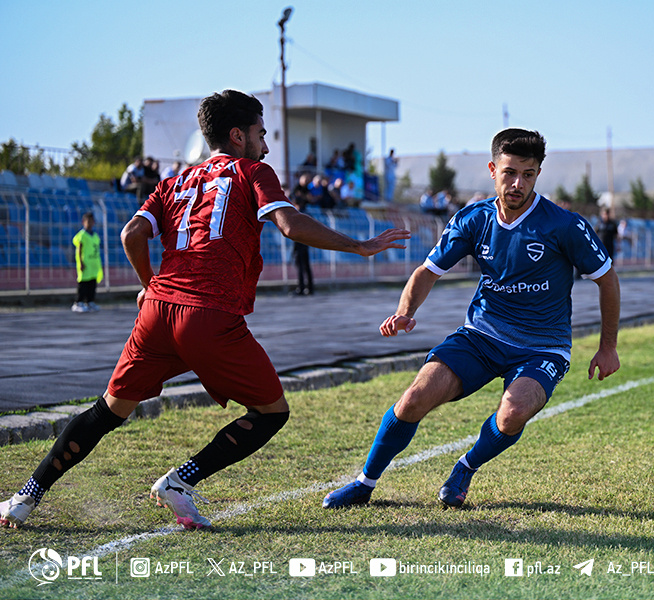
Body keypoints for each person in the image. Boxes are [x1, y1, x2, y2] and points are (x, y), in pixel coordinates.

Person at [0, 89, 409, 530]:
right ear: (238, 135)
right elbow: (289, 224)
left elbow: (131, 234)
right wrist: (358, 245)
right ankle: (180, 481)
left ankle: (24, 497)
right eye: (261, 134)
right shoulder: (252, 170)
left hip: (157, 313)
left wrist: (148, 285)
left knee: (105, 412)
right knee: (272, 412)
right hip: (209, 314)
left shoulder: (173, 180)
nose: (266, 145)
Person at [323, 128, 620, 509]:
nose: (518, 183)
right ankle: (365, 483)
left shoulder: (563, 225)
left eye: (528, 174)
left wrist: (607, 346)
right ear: (493, 169)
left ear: (538, 175)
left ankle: (465, 468)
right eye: (510, 172)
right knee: (414, 397)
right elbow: (428, 271)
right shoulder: (473, 219)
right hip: (481, 336)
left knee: (513, 413)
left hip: (542, 347)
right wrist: (404, 313)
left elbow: (607, 281)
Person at [71, 211, 103, 313]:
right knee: (83, 283)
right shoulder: (82, 235)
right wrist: (80, 262)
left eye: (91, 221)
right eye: (87, 221)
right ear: (83, 222)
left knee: (92, 284)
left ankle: (89, 301)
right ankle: (78, 302)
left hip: (94, 263)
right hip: (85, 263)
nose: (89, 223)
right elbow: (79, 249)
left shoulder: (95, 235)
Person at [291, 173, 315, 295]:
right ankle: (310, 288)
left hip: (300, 242)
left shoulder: (298, 215)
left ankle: (301, 288)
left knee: (301, 265)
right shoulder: (306, 214)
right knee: (306, 265)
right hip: (306, 241)